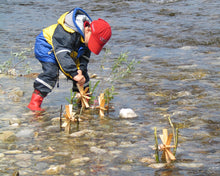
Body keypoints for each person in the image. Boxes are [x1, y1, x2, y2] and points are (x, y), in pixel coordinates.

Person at [27, 7, 112, 111]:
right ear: (88, 29)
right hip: (46, 45)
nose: (91, 45)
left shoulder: (86, 37)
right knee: (51, 73)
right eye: (92, 42)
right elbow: (62, 55)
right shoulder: (66, 33)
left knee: (83, 76)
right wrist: (73, 73)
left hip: (68, 50)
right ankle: (35, 102)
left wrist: (80, 68)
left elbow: (84, 56)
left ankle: (84, 100)